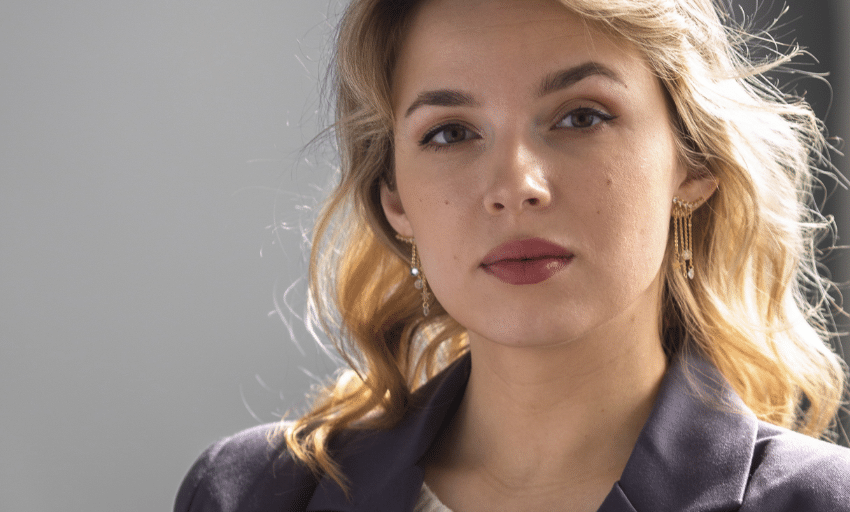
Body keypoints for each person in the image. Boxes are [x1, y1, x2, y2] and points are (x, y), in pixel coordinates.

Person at [175, 0, 850, 510]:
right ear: (395, 202)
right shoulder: (254, 495)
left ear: (692, 164)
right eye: (450, 133)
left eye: (581, 116)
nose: (515, 186)